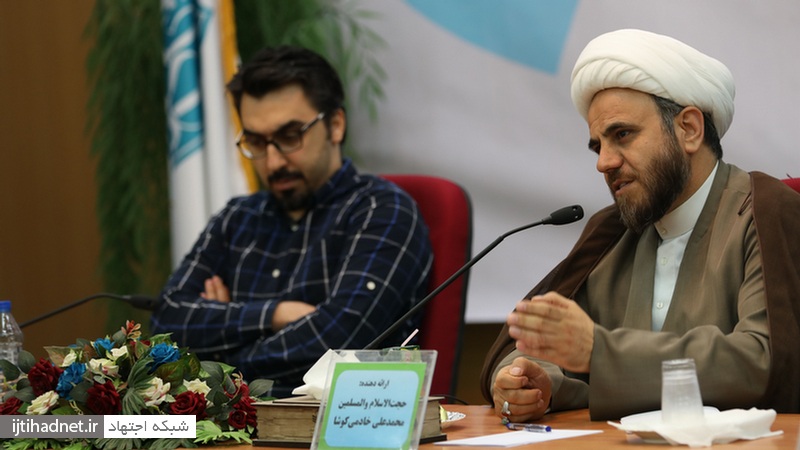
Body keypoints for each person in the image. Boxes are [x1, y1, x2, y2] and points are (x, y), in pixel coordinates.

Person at [480, 29, 800, 421]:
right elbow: (545, 347)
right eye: (598, 146)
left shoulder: (764, 213)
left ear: (689, 129)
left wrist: (600, 351)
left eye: (622, 135)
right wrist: (534, 381)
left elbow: (763, 362)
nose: (604, 162)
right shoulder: (613, 234)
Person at [151, 46, 433, 397]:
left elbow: (336, 344)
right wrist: (275, 314)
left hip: (334, 422)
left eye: (289, 137)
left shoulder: (382, 211)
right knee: (99, 423)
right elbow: (166, 322)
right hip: (230, 420)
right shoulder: (236, 218)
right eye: (256, 141)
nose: (273, 162)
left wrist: (216, 353)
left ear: (335, 125)